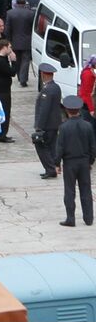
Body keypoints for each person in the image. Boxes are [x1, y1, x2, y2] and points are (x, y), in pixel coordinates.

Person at [57, 95, 96, 226]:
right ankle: (88, 218)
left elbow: (60, 147)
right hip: (84, 162)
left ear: (67, 110)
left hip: (69, 163)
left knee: (69, 191)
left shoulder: (64, 127)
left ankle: (70, 218)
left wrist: (57, 163)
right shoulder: (88, 126)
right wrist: (90, 161)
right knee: (86, 190)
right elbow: (92, 147)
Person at [35, 62, 64, 179]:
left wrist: (39, 126)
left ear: (43, 75)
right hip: (55, 123)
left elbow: (44, 110)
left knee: (41, 146)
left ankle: (50, 169)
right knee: (52, 146)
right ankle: (53, 167)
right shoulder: (56, 87)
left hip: (47, 124)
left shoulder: (47, 90)